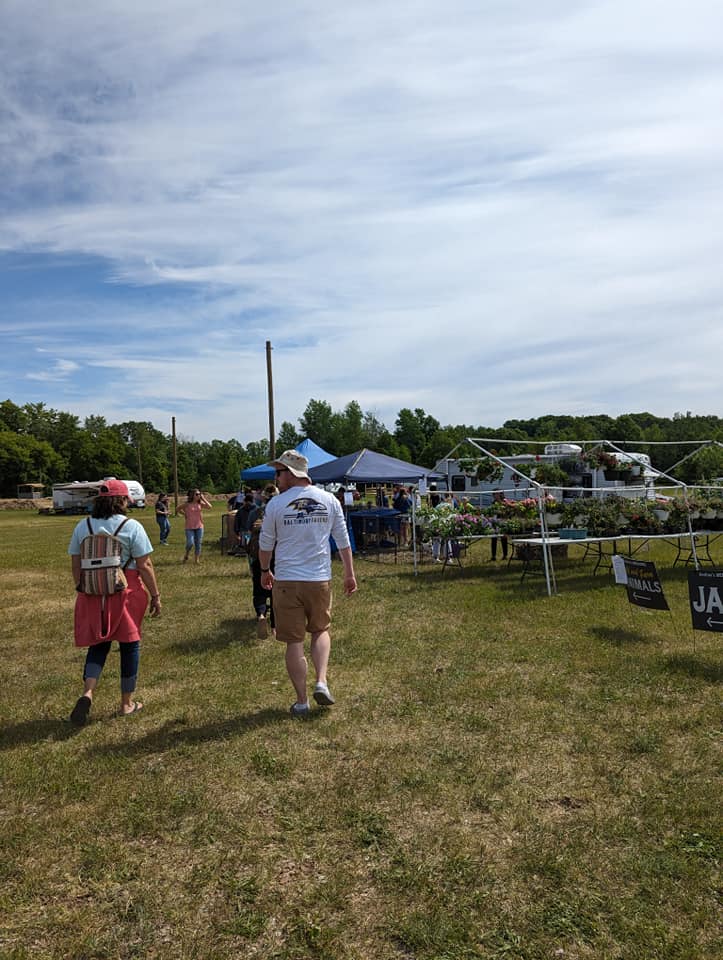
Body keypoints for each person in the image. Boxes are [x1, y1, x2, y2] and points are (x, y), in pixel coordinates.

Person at [258, 449, 357, 717]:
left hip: (287, 580)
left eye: (278, 473)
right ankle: (321, 681)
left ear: (290, 474)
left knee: (293, 642)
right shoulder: (329, 500)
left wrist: (265, 570)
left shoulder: (276, 505)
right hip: (319, 579)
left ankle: (301, 701)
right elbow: (343, 540)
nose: (276, 478)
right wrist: (349, 573)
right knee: (321, 630)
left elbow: (265, 544)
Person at [67, 479, 161, 723]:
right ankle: (126, 703)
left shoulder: (82, 525)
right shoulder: (131, 526)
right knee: (130, 646)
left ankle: (88, 692)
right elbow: (145, 565)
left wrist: (84, 588)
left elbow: (76, 563)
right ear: (122, 501)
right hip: (125, 591)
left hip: (92, 594)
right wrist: (156, 595)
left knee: (98, 644)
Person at [246, 484, 278, 638]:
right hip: (277, 555)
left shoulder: (255, 512)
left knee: (259, 589)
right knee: (276, 591)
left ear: (264, 497)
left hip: (258, 553)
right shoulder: (280, 511)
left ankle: (261, 615)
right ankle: (274, 627)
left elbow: (248, 532)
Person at [176, 488, 212, 564]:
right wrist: (184, 514)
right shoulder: (187, 504)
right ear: (192, 495)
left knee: (198, 543)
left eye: (199, 494)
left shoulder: (200, 503)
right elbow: (177, 509)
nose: (199, 495)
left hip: (199, 526)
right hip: (189, 527)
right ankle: (187, 554)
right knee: (190, 543)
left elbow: (209, 507)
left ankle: (196, 560)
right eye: (197, 494)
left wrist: (203, 498)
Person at [490, 490, 509, 561]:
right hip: (495, 521)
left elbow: (506, 510)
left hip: (502, 521)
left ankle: (505, 555)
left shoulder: (504, 501)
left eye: (496, 494)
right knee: (493, 538)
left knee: (504, 538)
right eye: (494, 494)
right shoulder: (493, 502)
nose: (495, 495)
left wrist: (500, 503)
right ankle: (493, 556)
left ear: (500, 494)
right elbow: (492, 511)